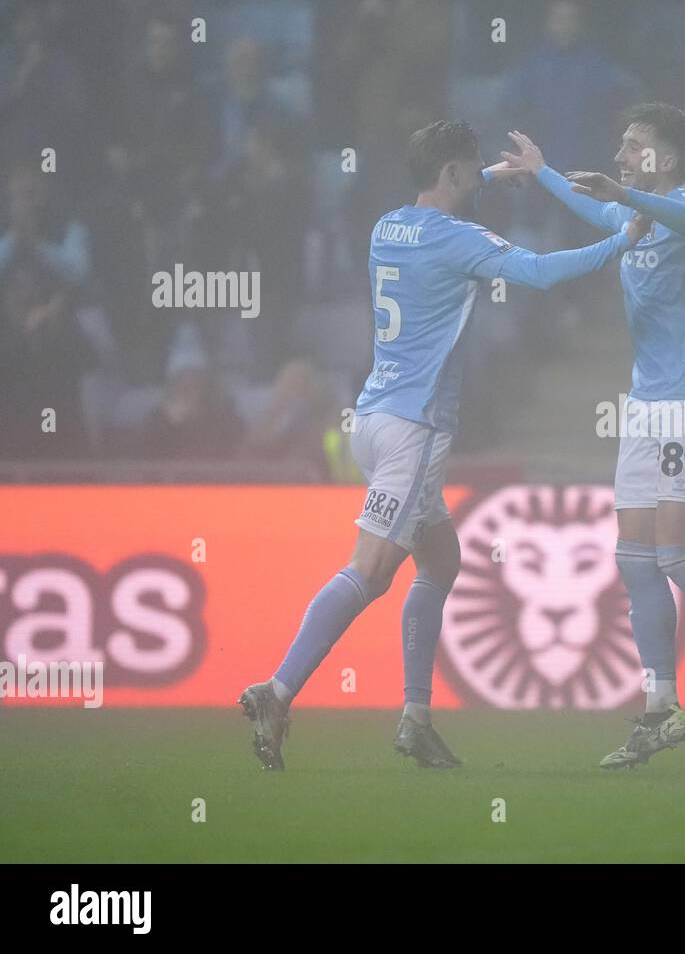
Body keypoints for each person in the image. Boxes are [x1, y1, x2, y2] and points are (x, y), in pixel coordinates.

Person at [238, 120, 647, 770]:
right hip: (415, 427)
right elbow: (537, 272)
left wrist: (490, 174)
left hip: (371, 416)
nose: (480, 175)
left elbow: (450, 190)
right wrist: (619, 241)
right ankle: (278, 690)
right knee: (368, 572)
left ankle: (416, 719)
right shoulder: (460, 240)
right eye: (474, 167)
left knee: (441, 562)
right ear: (453, 171)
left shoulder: (385, 225)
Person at [501, 103, 685, 769]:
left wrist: (625, 194)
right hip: (646, 404)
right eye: (621, 144)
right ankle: (660, 707)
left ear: (665, 159)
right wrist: (541, 173)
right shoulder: (632, 214)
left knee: (676, 555)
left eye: (634, 144)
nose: (621, 152)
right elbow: (597, 208)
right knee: (634, 558)